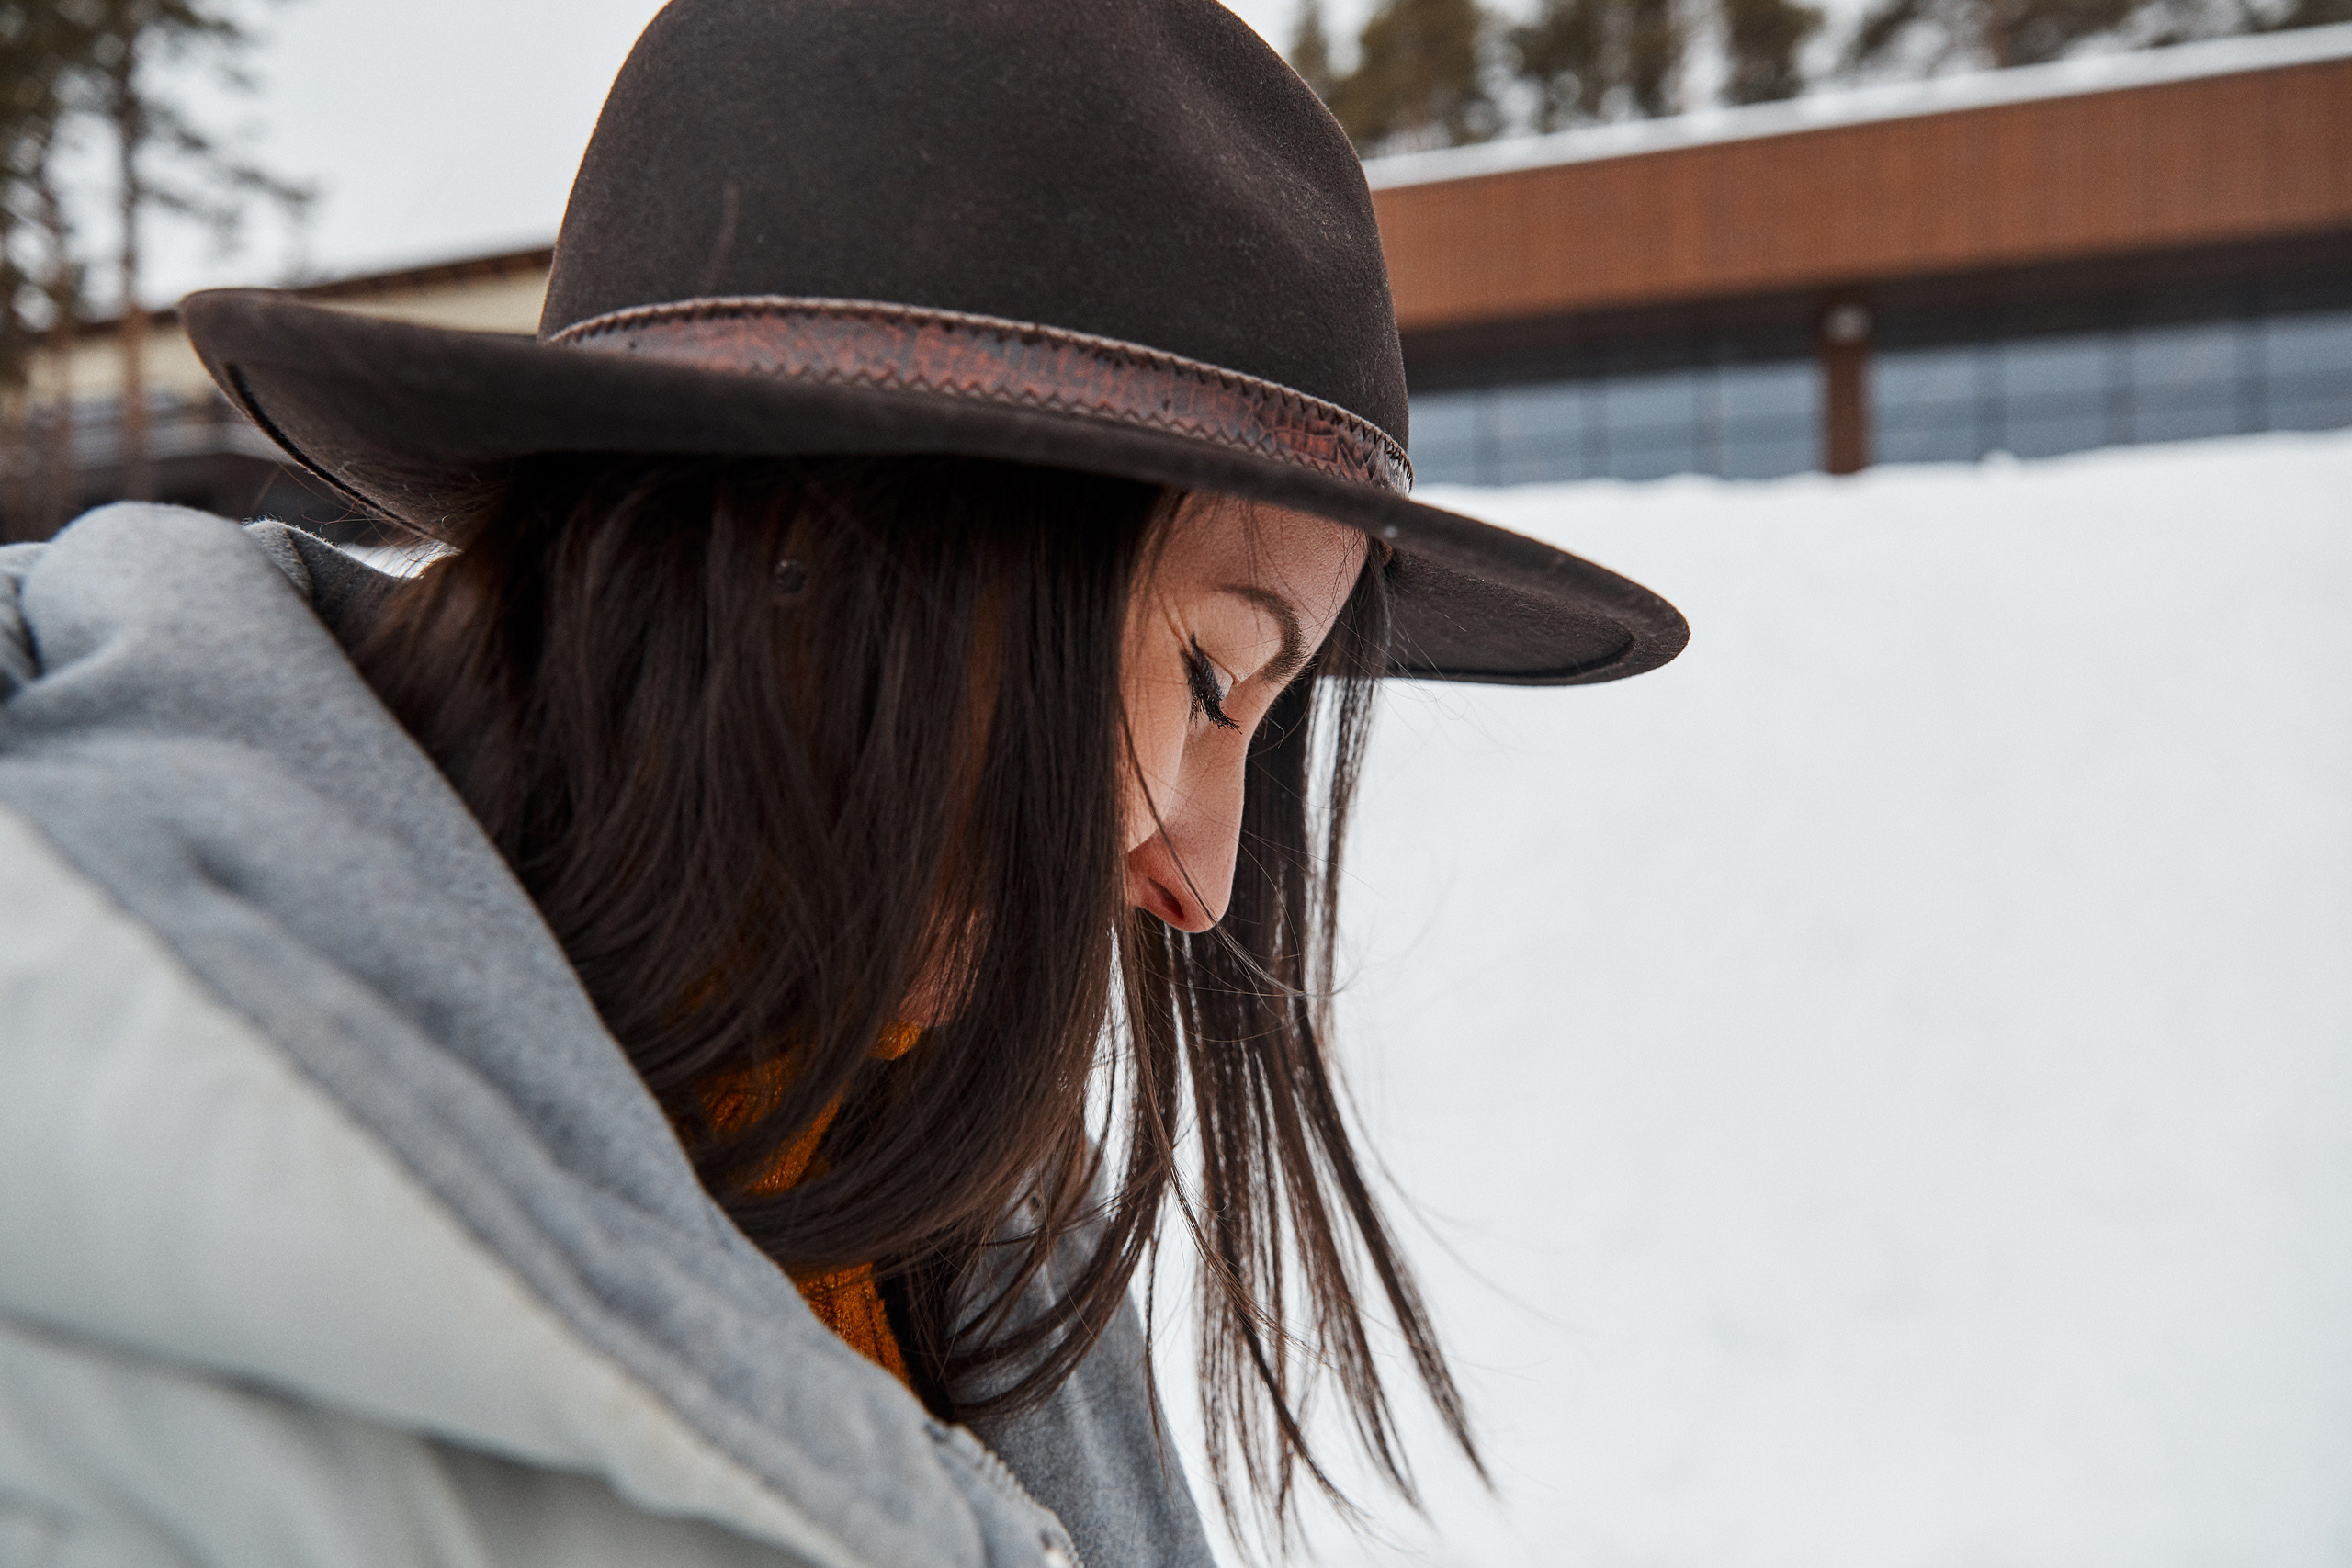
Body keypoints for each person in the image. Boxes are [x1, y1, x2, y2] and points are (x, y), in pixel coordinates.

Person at [0, 1, 1685, 1563]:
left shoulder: (909, 1180)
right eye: (1203, 680)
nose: (1207, 883)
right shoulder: (96, 1352)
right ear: (834, 547)